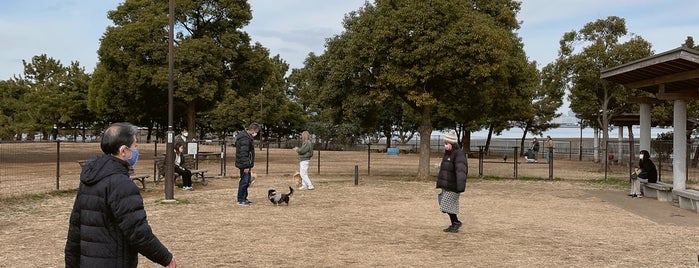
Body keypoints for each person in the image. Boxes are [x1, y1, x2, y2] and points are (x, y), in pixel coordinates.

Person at [65, 122, 176, 267]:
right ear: (123, 150)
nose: (137, 150)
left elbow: (74, 231)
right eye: (135, 146)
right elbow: (137, 232)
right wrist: (165, 258)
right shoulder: (121, 184)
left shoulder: (90, 179)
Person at [436, 130, 467, 233]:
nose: (445, 146)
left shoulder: (459, 154)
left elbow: (461, 170)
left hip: (454, 186)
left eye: (447, 144)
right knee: (446, 205)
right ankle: (455, 223)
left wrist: (460, 186)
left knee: (446, 205)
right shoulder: (448, 154)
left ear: (453, 143)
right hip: (446, 184)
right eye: (445, 144)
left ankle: (456, 222)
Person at [235, 123, 260, 206]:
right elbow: (244, 153)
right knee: (244, 181)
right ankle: (241, 199)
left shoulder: (247, 137)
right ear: (253, 130)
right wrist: (246, 165)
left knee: (246, 181)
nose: (256, 133)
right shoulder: (245, 139)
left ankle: (244, 198)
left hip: (246, 164)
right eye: (256, 131)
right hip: (244, 164)